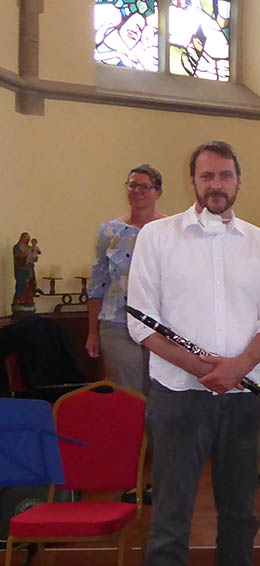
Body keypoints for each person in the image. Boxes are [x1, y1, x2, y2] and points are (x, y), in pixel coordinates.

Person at [126, 141, 260, 566]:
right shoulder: (157, 237)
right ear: (192, 182)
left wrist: (238, 365)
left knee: (238, 516)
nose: (215, 184)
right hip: (178, 398)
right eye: (205, 176)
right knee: (171, 519)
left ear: (238, 181)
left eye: (224, 176)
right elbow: (141, 322)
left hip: (242, 399)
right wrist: (205, 370)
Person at [86, 164, 166, 395]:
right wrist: (92, 331)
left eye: (144, 186)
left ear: (158, 192)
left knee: (160, 394)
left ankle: (156, 434)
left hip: (161, 325)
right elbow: (98, 284)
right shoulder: (109, 232)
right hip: (117, 324)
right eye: (132, 185)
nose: (137, 191)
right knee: (128, 394)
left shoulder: (169, 230)